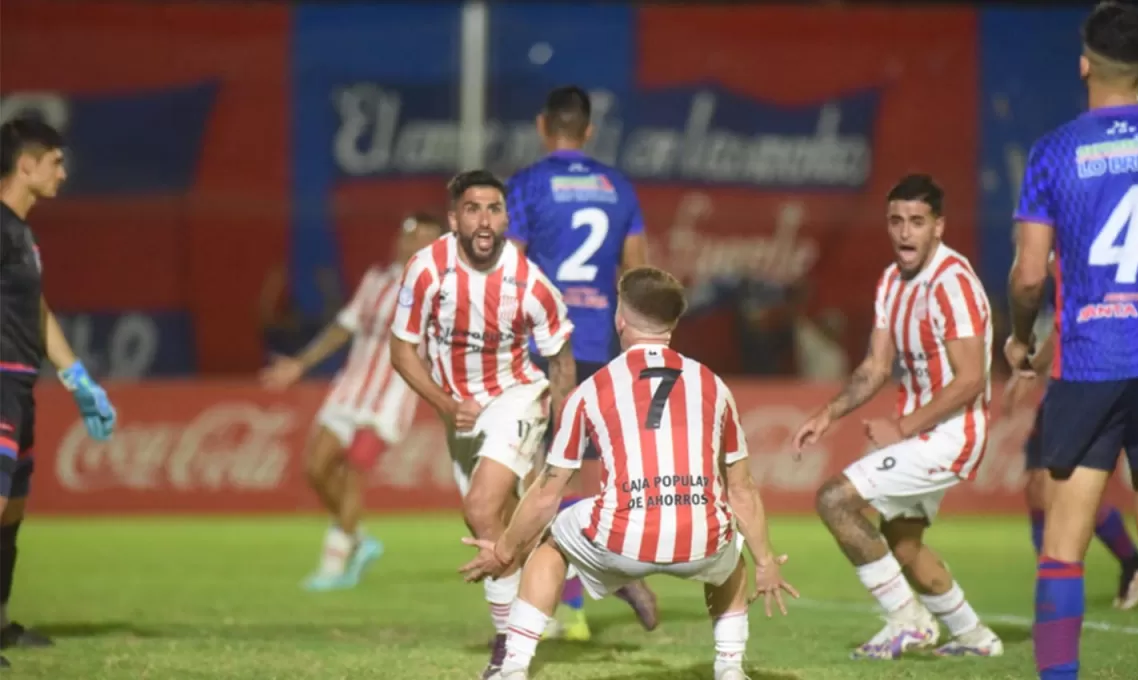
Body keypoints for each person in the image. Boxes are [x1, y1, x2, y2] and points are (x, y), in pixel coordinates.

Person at [458, 266, 798, 680]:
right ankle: (729, 668)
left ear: (620, 318)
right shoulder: (712, 385)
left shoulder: (592, 390)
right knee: (732, 550)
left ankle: (511, 669)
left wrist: (505, 549)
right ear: (672, 324)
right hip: (699, 539)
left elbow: (548, 493)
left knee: (551, 545)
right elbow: (741, 490)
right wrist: (765, 561)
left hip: (621, 538)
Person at [1006, 5, 1138, 679]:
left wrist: (1019, 336)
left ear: (1084, 63)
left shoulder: (1055, 153)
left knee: (1063, 545)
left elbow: (1030, 275)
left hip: (1090, 360)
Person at [793, 174, 1003, 660]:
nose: (905, 232)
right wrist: (829, 413)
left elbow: (972, 378)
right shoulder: (891, 281)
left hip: (952, 434)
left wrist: (903, 428)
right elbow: (875, 367)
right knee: (902, 545)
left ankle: (907, 621)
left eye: (917, 221)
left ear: (939, 227)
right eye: (896, 221)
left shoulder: (952, 284)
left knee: (834, 500)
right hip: (922, 433)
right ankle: (975, 638)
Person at [389, 170, 577, 679]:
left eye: (494, 209)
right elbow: (401, 349)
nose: (485, 219)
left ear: (505, 218)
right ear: (454, 219)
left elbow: (560, 361)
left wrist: (566, 434)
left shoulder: (529, 283)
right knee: (502, 522)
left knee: (480, 509)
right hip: (460, 411)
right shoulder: (427, 270)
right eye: (473, 209)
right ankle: (570, 556)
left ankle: (507, 655)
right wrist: (445, 404)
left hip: (517, 396)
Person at [505, 85, 656, 640]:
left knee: (533, 479)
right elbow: (636, 279)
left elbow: (513, 273)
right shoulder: (618, 187)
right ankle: (578, 600)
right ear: (589, 130)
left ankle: (587, 591)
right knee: (580, 473)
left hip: (543, 349)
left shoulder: (524, 185)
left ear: (544, 126)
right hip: (602, 345)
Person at [260, 213, 445, 591]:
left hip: (390, 398)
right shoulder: (376, 280)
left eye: (426, 238)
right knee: (315, 468)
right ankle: (359, 539)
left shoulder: (441, 291)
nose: (414, 244)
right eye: (410, 236)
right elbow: (344, 326)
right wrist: (299, 364)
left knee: (354, 469)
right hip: (349, 390)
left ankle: (333, 564)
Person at [0, 118, 117, 668]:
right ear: (25, 165)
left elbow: (37, 310)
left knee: (11, 509)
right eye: (55, 162)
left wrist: (76, 377)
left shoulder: (22, 234)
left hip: (20, 382)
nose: (63, 173)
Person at [1002, 253, 1138, 610]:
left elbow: (1065, 325)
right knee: (1038, 486)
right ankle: (1051, 583)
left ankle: (1128, 563)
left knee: (1064, 492)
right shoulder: (1064, 270)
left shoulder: (1084, 263)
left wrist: (1030, 368)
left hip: (1087, 386)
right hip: (1061, 390)